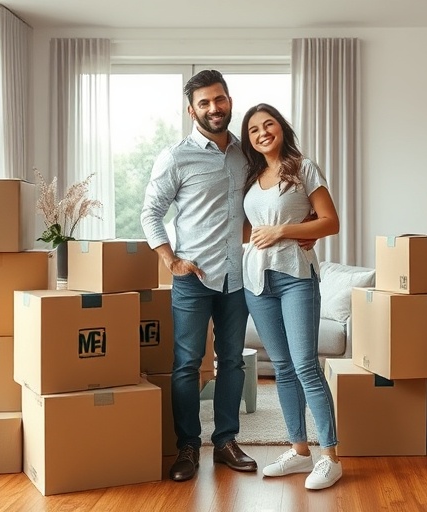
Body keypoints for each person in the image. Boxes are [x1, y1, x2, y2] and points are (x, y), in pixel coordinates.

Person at [140, 70, 257, 482]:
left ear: (229, 100)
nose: (214, 108)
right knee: (187, 364)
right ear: (191, 110)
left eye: (219, 99)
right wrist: (170, 261)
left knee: (232, 363)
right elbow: (149, 212)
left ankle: (225, 442)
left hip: (237, 277)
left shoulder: (248, 155)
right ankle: (187, 446)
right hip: (192, 277)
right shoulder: (175, 157)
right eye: (204, 102)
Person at [239, 103, 342, 490]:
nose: (263, 132)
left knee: (305, 366)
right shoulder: (251, 177)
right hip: (256, 281)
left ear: (281, 128)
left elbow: (331, 221)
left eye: (269, 125)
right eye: (254, 130)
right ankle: (300, 452)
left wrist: (284, 231)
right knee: (282, 367)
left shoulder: (303, 167)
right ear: (249, 140)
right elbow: (248, 231)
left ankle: (330, 457)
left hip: (297, 276)